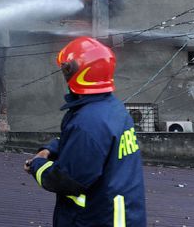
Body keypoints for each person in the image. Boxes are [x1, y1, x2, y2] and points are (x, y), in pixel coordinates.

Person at [25, 36, 146, 227]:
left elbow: (65, 179)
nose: (64, 74)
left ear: (79, 72)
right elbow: (86, 143)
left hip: (95, 219)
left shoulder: (88, 122)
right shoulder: (111, 108)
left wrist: (37, 165)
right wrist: (50, 149)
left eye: (66, 69)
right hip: (120, 215)